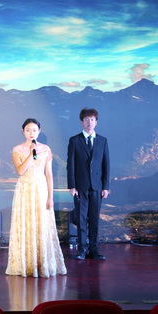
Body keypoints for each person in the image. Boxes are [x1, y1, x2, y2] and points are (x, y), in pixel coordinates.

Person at [6, 118, 67, 277]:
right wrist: (31, 153)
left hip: (40, 190)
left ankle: (42, 263)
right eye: (28, 130)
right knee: (26, 224)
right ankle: (26, 264)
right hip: (24, 190)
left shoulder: (46, 149)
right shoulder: (17, 149)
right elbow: (20, 171)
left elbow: (49, 174)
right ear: (23, 132)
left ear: (39, 131)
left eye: (34, 130)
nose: (31, 133)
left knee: (42, 224)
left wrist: (50, 197)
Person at [67, 108, 110, 260]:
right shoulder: (74, 140)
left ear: (96, 122)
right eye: (86, 120)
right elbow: (70, 165)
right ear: (81, 122)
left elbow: (106, 165)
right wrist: (72, 186)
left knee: (94, 219)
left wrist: (105, 187)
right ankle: (82, 249)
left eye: (92, 120)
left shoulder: (102, 141)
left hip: (97, 187)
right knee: (81, 219)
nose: (89, 122)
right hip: (80, 187)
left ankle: (94, 249)